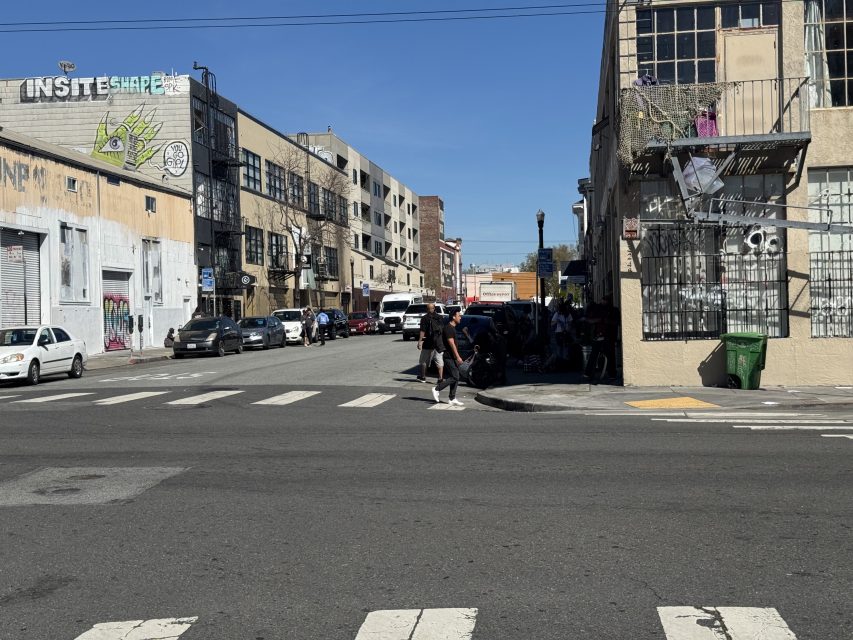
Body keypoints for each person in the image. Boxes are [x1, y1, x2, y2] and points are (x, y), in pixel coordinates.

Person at [432, 309, 464, 406]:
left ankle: (452, 398)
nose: (460, 317)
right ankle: (437, 389)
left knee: (456, 376)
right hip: (448, 357)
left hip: (451, 357)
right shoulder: (449, 328)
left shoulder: (452, 328)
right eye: (459, 315)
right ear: (453, 317)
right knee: (455, 376)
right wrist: (458, 357)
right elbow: (451, 344)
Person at [416, 303, 444, 383]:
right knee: (439, 360)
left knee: (424, 360)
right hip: (438, 342)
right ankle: (440, 378)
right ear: (434, 308)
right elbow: (442, 330)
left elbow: (422, 331)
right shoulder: (440, 317)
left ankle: (423, 377)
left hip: (428, 342)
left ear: (427, 309)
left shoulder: (425, 318)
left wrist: (420, 341)